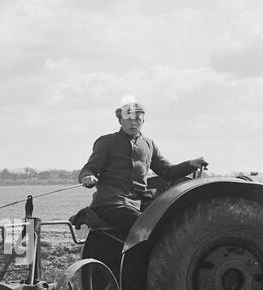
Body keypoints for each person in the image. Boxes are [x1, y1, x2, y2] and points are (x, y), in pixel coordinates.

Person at [79, 101, 206, 236]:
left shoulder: (149, 144)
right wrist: (88, 176)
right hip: (112, 202)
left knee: (172, 219)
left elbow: (168, 172)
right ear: (120, 121)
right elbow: (90, 168)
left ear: (143, 121)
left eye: (137, 119)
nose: (133, 123)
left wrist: (191, 164)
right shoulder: (107, 142)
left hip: (140, 202)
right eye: (128, 119)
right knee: (146, 228)